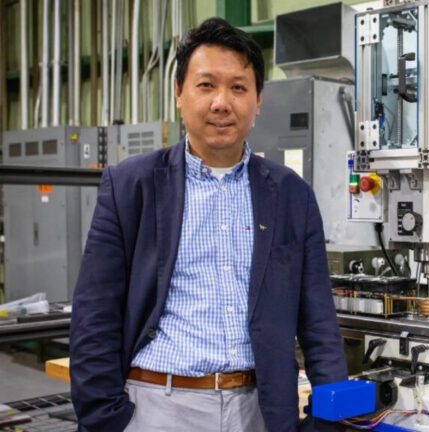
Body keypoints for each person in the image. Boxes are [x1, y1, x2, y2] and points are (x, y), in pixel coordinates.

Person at [69, 17, 348, 432]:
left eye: (238, 87)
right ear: (179, 93)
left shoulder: (291, 194)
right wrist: (109, 420)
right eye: (206, 85)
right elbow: (95, 316)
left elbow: (319, 322)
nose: (222, 102)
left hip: (261, 410)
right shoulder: (131, 185)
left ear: (258, 101)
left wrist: (328, 419)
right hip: (155, 409)